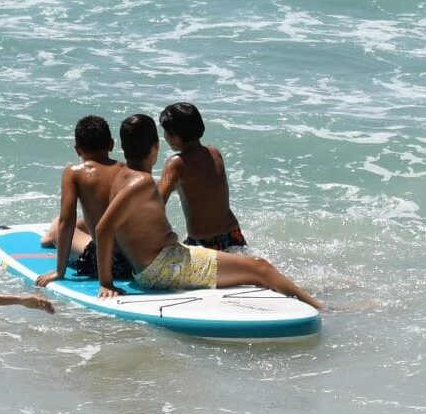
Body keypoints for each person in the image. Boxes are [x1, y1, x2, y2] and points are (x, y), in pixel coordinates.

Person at [92, 114, 320, 309]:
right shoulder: (141, 182)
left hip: (156, 266)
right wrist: (106, 283)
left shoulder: (121, 174)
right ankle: (320, 307)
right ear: (156, 146)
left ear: (122, 146)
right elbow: (104, 228)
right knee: (259, 267)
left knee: (251, 271)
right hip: (165, 268)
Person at [38, 114, 136, 288]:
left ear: (77, 149)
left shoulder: (74, 172)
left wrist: (59, 272)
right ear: (111, 144)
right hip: (136, 261)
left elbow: (67, 221)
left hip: (107, 264)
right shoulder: (127, 170)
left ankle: (49, 237)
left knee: (55, 228)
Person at [155, 101, 244, 250]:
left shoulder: (175, 164)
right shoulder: (214, 153)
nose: (164, 137)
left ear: (175, 136)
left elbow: (156, 205)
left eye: (166, 132)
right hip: (233, 233)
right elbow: (201, 184)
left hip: (204, 242)